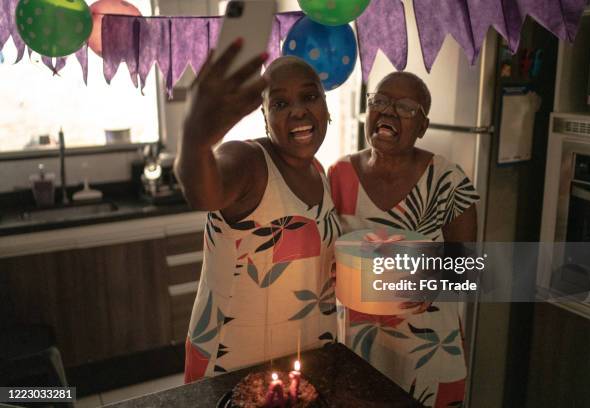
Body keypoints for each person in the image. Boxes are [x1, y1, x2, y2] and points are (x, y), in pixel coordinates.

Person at [175, 42, 339, 382]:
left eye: (310, 97)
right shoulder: (248, 162)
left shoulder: (321, 174)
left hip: (301, 360)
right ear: (264, 117)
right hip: (233, 365)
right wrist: (195, 139)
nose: (297, 111)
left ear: (326, 107)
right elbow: (205, 192)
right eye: (279, 103)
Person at [328, 71, 479, 407]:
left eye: (406, 107)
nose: (389, 112)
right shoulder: (339, 174)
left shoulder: (448, 179)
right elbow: (327, 252)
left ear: (423, 127)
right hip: (358, 340)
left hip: (427, 345)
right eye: (380, 101)